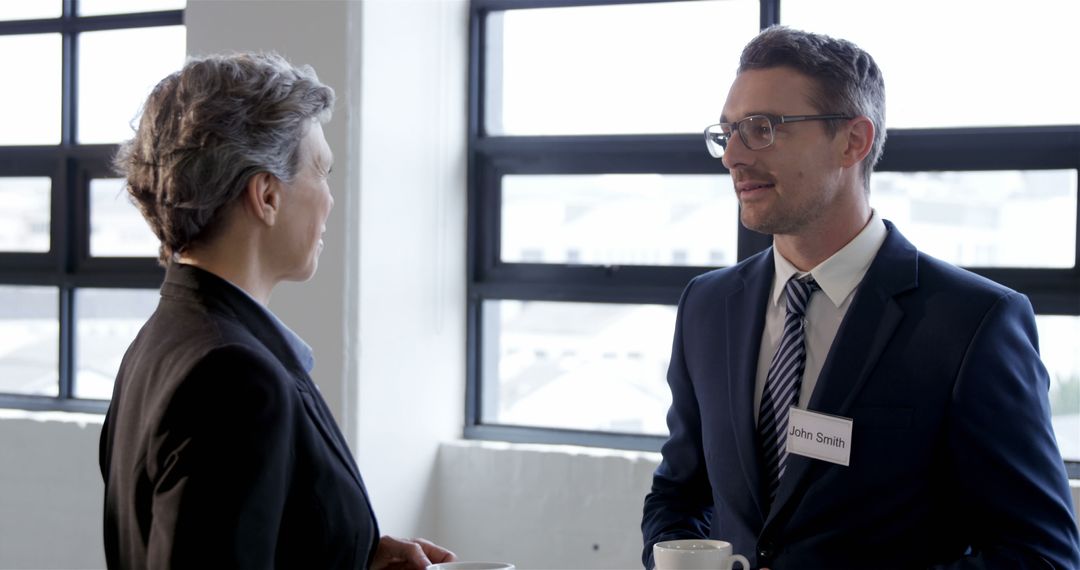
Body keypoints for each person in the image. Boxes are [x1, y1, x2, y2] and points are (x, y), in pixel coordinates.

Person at [641, 26, 1080, 570]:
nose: (732, 155)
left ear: (853, 140)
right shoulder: (707, 306)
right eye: (728, 131)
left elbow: (1040, 555)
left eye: (762, 128)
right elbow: (679, 493)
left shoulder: (973, 323)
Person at [99, 53, 456, 569]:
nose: (330, 200)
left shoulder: (162, 341)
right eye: (322, 173)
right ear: (266, 195)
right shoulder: (235, 378)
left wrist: (347, 555)